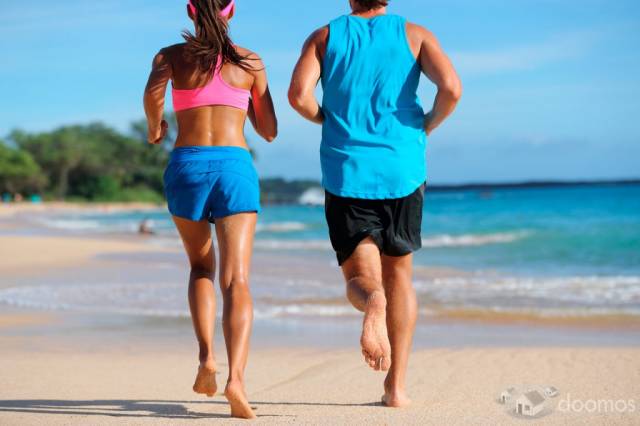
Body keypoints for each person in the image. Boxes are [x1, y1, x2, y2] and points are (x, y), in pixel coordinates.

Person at [289, 0, 461, 408]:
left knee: (361, 277)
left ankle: (373, 301)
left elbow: (298, 96)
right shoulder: (416, 35)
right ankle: (396, 388)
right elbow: (451, 89)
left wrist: (328, 119)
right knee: (399, 275)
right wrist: (425, 125)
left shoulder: (325, 36)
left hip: (347, 170)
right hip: (403, 169)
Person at [143, 0, 277, 419]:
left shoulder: (170, 56)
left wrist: (156, 128)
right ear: (231, 13)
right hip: (235, 167)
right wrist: (243, 103)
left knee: (201, 268)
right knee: (236, 279)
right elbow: (269, 131)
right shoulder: (249, 60)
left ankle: (207, 359)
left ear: (190, 12)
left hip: (186, 166)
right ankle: (237, 379)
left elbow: (151, 94)